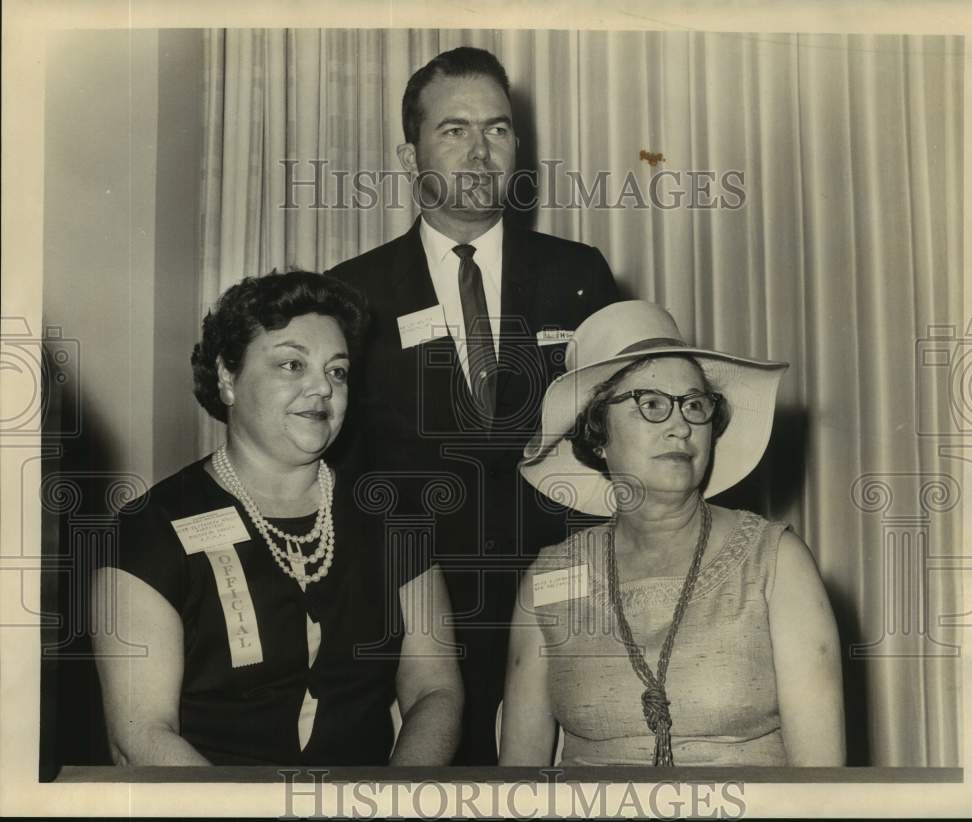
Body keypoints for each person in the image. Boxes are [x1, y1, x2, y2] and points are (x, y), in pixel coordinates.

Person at [326, 46, 620, 764]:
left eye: (498, 129)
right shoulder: (349, 294)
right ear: (410, 152)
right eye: (453, 130)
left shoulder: (578, 274)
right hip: (417, 619)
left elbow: (615, 439)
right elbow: (342, 470)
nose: (480, 150)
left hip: (566, 601)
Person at [90, 271, 462, 766]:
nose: (322, 389)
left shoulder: (395, 518)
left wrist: (391, 804)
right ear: (227, 376)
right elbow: (139, 734)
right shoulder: (148, 530)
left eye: (337, 371)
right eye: (292, 364)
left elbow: (435, 692)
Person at [501, 300, 845, 767]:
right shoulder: (548, 579)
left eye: (695, 405)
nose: (681, 426)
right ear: (597, 433)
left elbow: (822, 789)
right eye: (653, 405)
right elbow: (519, 786)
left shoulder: (777, 562)